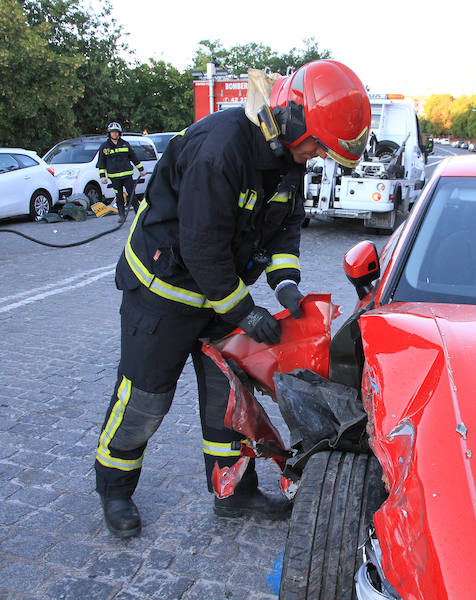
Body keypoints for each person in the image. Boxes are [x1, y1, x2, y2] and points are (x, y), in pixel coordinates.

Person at [93, 59, 371, 539]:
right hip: (164, 292)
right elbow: (202, 247)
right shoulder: (219, 150)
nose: (317, 157)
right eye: (317, 146)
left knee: (230, 401)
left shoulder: (287, 159)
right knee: (145, 400)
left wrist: (284, 282)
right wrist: (245, 310)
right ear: (292, 119)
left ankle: (234, 493)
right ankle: (115, 489)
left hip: (220, 297)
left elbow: (285, 227)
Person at [96, 122, 145, 223]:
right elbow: (101, 162)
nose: (114, 134)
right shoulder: (104, 147)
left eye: (116, 132)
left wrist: (141, 169)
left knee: (132, 195)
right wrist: (102, 176)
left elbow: (133, 157)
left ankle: (139, 214)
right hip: (114, 177)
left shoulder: (125, 144)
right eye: (112, 132)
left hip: (127, 175)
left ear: (119, 133)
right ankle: (122, 216)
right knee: (119, 197)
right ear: (109, 133)